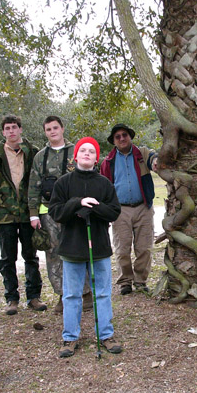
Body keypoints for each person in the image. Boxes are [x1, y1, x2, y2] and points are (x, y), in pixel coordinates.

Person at [49, 137, 122, 358]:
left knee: (102, 293)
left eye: (92, 151)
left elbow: (114, 211)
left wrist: (95, 207)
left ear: (96, 157)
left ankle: (106, 335)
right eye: (83, 150)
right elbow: (56, 211)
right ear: (76, 156)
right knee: (71, 295)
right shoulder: (63, 183)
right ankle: (70, 337)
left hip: (98, 246)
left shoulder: (104, 184)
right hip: (72, 247)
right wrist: (78, 203)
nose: (87, 154)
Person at [28, 116, 92, 314]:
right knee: (54, 254)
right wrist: (33, 214)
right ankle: (63, 295)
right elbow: (33, 184)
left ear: (63, 129)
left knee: (79, 251)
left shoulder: (77, 152)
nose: (52, 131)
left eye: (55, 127)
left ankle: (86, 293)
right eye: (48, 129)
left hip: (75, 211)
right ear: (45, 132)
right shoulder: (40, 156)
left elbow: (89, 177)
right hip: (49, 212)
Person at [0, 115, 47, 315]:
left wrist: (36, 211)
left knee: (31, 256)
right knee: (7, 258)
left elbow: (39, 182)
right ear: (3, 132)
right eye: (7, 128)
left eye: (14, 127)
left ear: (20, 129)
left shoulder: (33, 153)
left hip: (28, 213)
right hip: (5, 215)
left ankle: (34, 297)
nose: (11, 131)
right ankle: (11, 298)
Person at [100, 124, 157, 295]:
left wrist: (156, 162)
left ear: (130, 136)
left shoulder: (142, 153)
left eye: (125, 135)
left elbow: (154, 159)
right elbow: (103, 187)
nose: (122, 138)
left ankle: (140, 281)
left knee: (144, 247)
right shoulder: (108, 162)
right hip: (120, 210)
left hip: (143, 207)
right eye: (117, 136)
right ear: (114, 141)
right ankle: (125, 281)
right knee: (122, 249)